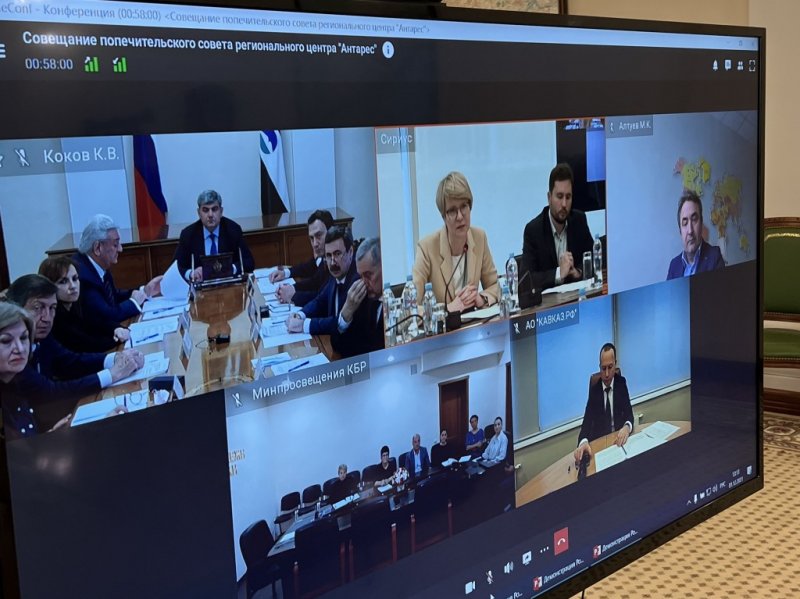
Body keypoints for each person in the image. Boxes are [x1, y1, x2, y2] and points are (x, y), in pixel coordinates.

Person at [6, 275, 142, 402]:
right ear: (16, 309)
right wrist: (113, 375)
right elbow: (50, 391)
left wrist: (115, 358)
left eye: (52, 308)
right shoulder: (12, 352)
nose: (47, 318)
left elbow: (70, 361)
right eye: (37, 308)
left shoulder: (42, 337)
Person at [412, 172, 498, 313]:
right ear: (443, 216)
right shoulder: (426, 248)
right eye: (452, 211)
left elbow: (495, 285)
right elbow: (410, 309)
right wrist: (447, 309)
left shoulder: (479, 237)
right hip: (444, 326)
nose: (459, 216)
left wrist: (481, 298)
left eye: (463, 207)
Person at [72, 214, 163, 325]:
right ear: (97, 248)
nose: (120, 249)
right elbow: (108, 315)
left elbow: (114, 295)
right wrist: (134, 302)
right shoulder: (83, 277)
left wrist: (144, 291)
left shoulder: (97, 264)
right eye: (115, 244)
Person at [521, 163, 595, 291]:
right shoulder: (533, 231)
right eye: (559, 197)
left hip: (577, 296)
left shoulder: (579, 220)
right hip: (548, 303)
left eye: (568, 197)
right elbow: (526, 281)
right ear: (549, 197)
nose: (564, 204)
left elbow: (594, 259)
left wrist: (578, 272)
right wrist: (558, 273)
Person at [38, 256, 130, 353]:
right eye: (63, 282)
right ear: (49, 287)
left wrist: (117, 329)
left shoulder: (78, 302)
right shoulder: (54, 317)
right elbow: (86, 345)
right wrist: (117, 339)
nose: (73, 286)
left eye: (75, 279)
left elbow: (99, 322)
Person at [286, 225, 358, 336]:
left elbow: (341, 321)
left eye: (337, 254)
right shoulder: (336, 274)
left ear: (350, 252)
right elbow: (320, 301)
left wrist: (305, 325)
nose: (332, 262)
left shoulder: (357, 280)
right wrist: (300, 315)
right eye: (328, 255)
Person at [173, 189, 256, 282]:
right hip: (201, 287)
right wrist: (191, 273)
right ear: (199, 213)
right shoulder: (188, 234)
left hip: (228, 285)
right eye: (205, 210)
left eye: (214, 209)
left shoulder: (233, 230)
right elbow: (175, 268)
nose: (210, 215)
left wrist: (230, 268)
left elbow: (249, 262)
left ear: (221, 211)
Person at [574, 343, 634, 464]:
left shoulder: (621, 383)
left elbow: (629, 415)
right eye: (603, 368)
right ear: (599, 367)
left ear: (615, 364)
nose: (606, 374)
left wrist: (627, 427)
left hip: (618, 443)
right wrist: (583, 442)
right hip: (601, 448)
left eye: (610, 367)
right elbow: (586, 425)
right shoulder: (595, 391)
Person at [270, 209, 334, 306]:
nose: (315, 244)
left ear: (331, 232)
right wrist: (290, 285)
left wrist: (293, 295)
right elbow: (314, 279)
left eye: (319, 235)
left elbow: (324, 298)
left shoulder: (337, 261)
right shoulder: (324, 257)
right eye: (311, 238)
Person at [335, 237, 385, 358]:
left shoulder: (400, 298)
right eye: (361, 276)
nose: (364, 282)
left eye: (368, 275)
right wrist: (347, 311)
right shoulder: (362, 298)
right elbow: (339, 346)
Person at [667, 190, 725, 279]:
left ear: (701, 224)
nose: (690, 231)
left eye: (694, 220)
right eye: (685, 223)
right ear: (680, 231)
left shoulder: (714, 257)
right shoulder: (674, 266)